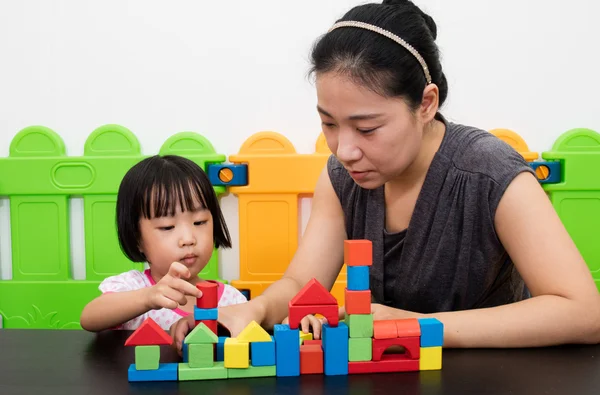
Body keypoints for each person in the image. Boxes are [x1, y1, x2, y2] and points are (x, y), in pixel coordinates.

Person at [172, 0, 600, 349]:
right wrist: (258, 310)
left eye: (368, 127)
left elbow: (583, 313)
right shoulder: (341, 175)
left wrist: (418, 326)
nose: (344, 149)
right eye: (329, 123)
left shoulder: (489, 173)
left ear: (426, 103)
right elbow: (303, 282)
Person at [80, 155, 249, 332]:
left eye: (199, 222)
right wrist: (148, 297)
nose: (188, 239)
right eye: (167, 227)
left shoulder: (230, 299)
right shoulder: (132, 287)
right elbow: (89, 318)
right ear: (137, 239)